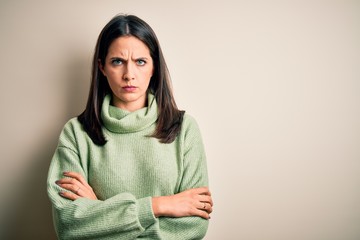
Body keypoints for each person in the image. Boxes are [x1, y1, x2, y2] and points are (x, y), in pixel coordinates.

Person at [47, 14, 213, 240]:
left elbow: (194, 226)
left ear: (154, 67)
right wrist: (159, 206)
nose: (129, 75)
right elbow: (69, 226)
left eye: (140, 61)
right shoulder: (76, 133)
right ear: (102, 67)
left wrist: (101, 215)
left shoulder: (184, 129)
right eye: (117, 61)